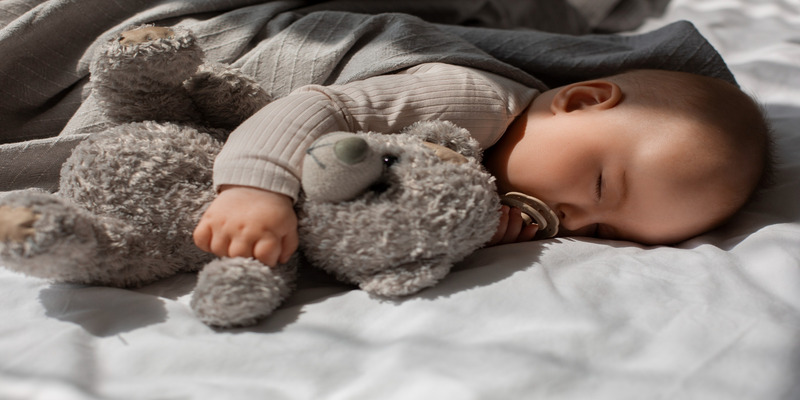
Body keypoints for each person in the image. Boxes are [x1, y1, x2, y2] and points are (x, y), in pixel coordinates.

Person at [192, 62, 772, 267]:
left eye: (602, 230)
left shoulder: (500, 190)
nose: (568, 217)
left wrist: (469, 233)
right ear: (581, 101)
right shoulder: (470, 100)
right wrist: (254, 190)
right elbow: (315, 108)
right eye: (599, 183)